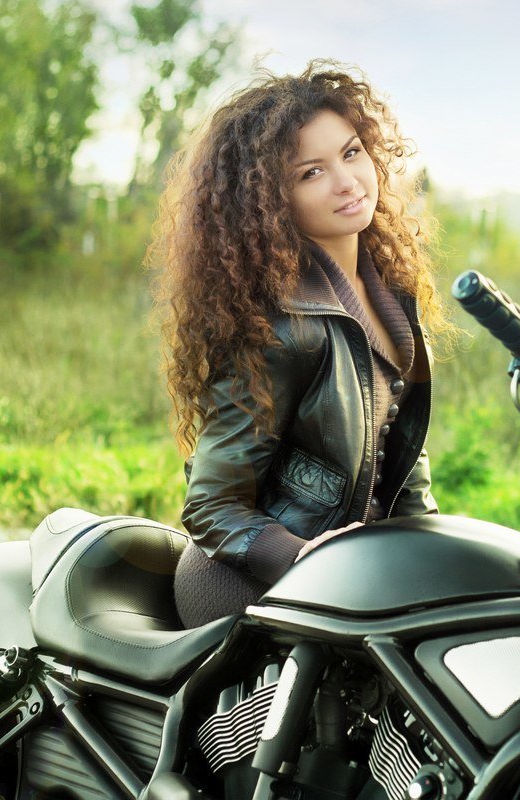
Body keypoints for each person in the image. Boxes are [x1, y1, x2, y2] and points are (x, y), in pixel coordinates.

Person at [151, 61, 452, 628]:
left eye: (352, 153)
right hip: (248, 580)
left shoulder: (396, 298)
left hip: (355, 573)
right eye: (312, 172)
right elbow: (213, 505)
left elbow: (402, 462)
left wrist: (435, 551)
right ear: (269, 199)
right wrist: (302, 558)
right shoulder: (279, 326)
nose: (347, 181)